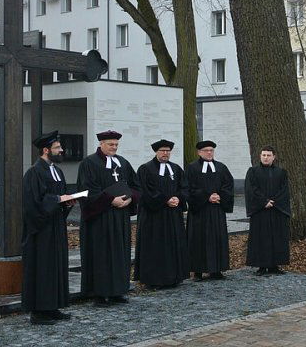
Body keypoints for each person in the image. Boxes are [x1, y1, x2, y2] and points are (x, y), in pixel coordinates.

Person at [77, 130, 139, 307]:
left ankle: (117, 291)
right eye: (111, 144)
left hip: (120, 218)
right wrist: (111, 200)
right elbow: (87, 190)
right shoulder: (89, 163)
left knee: (120, 254)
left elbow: (135, 185)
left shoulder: (123, 163)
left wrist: (129, 199)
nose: (114, 148)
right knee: (101, 255)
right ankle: (99, 293)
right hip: (100, 219)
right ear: (101, 144)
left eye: (116, 145)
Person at [22, 131, 76, 325]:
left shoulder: (57, 171)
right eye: (57, 148)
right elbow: (32, 204)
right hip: (41, 231)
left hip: (56, 227)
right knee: (43, 268)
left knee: (56, 267)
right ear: (46, 150)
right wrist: (58, 200)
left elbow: (59, 196)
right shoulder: (34, 173)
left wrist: (67, 202)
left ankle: (53, 306)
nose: (62, 150)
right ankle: (39, 312)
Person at [134, 139, 189, 288]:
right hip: (154, 216)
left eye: (168, 151)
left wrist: (178, 198)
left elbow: (184, 187)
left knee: (174, 244)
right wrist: (165, 200)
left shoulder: (176, 169)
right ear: (156, 152)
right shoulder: (146, 169)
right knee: (155, 246)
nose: (165, 153)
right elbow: (145, 191)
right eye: (162, 151)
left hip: (173, 215)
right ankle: (154, 279)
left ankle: (174, 277)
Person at [186, 140, 235, 280]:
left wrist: (219, 196)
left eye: (211, 150)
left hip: (216, 211)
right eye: (206, 150)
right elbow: (189, 188)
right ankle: (198, 271)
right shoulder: (192, 168)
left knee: (217, 238)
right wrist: (207, 197)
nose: (209, 152)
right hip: (199, 211)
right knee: (198, 239)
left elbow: (228, 185)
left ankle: (216, 269)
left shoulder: (221, 167)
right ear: (199, 152)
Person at [246, 146, 292, 276]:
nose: (266, 157)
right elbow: (251, 189)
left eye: (268, 155)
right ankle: (261, 266)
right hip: (260, 211)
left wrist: (273, 202)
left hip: (277, 210)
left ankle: (274, 265)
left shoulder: (281, 172)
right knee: (261, 238)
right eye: (263, 155)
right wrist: (264, 202)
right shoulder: (253, 172)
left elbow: (284, 190)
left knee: (276, 238)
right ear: (260, 156)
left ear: (274, 157)